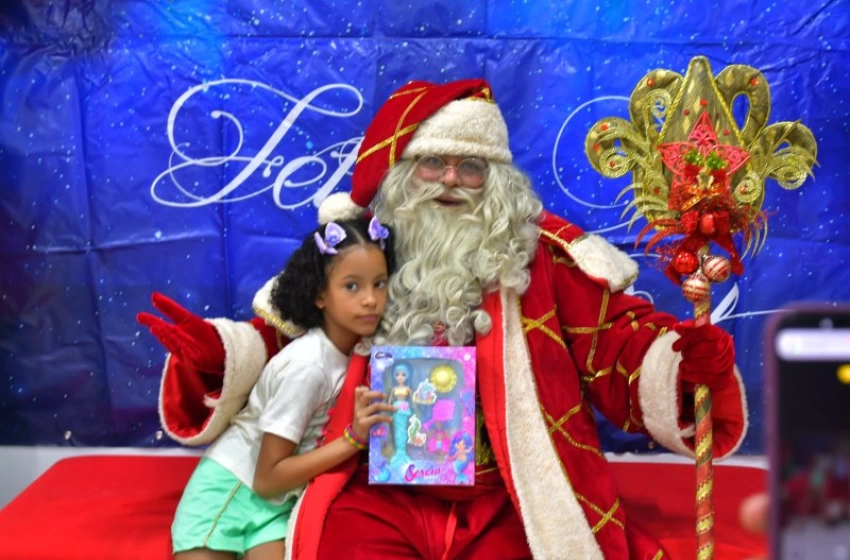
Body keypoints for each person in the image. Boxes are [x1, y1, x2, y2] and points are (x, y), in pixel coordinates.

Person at [139, 79, 748, 559]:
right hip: (376, 489)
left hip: (510, 497)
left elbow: (615, 346)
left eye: (471, 166)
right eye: (434, 163)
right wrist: (221, 356)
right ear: (404, 171)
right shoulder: (357, 250)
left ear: (497, 181)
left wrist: (678, 367)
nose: (452, 180)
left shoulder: (544, 259)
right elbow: (286, 332)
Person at [149, 217, 397, 560]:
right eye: (352, 286)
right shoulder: (308, 366)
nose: (371, 300)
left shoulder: (360, 352)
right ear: (320, 295)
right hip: (232, 490)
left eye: (380, 283)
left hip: (280, 505)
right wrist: (353, 441)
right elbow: (267, 477)